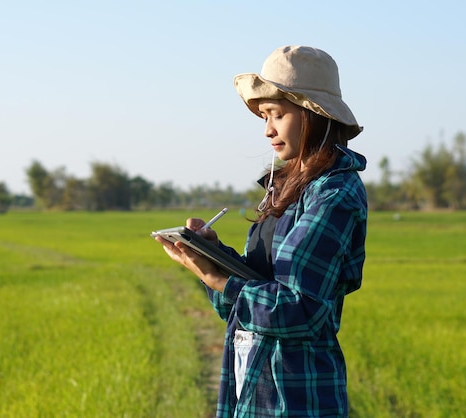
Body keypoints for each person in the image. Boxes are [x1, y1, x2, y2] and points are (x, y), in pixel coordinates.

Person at [155, 45, 367, 417]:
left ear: (313, 115)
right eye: (264, 116)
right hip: (252, 386)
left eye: (277, 115)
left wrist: (221, 280)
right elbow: (246, 303)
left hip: (297, 397)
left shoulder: (334, 193)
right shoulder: (283, 189)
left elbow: (303, 309)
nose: (268, 129)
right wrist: (214, 258)